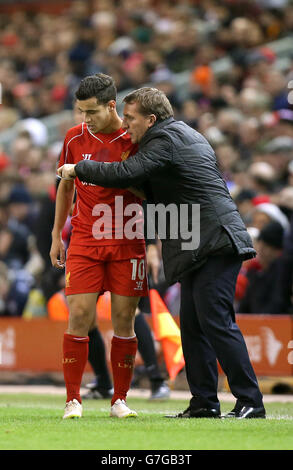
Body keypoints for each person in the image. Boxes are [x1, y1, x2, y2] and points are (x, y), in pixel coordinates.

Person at [58, 86, 266, 419]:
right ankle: (204, 402)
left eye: (131, 118)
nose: (126, 125)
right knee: (194, 325)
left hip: (213, 240)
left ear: (151, 119)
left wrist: (78, 169)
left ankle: (250, 401)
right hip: (198, 241)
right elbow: (153, 191)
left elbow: (128, 173)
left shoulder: (163, 140)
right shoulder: (183, 135)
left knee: (216, 322)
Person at [50, 74, 149, 420]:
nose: (85, 119)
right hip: (86, 239)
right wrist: (56, 236)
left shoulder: (135, 137)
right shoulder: (74, 138)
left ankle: (119, 400)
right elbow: (65, 187)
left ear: (111, 106)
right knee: (79, 315)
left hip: (127, 239)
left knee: (124, 320)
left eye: (91, 112)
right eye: (81, 112)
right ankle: (73, 400)